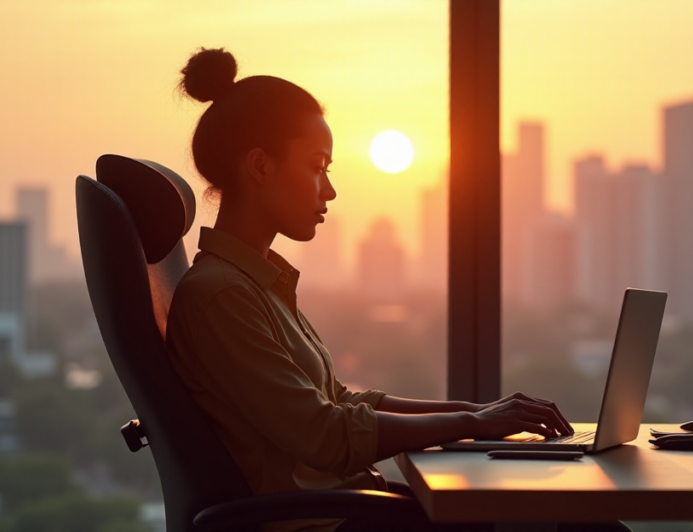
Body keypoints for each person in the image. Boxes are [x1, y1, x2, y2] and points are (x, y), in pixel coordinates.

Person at [165, 48, 624, 532]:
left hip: (352, 513)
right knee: (580, 525)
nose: (329, 190)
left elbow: (340, 401)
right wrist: (473, 424)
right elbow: (326, 436)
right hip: (329, 525)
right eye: (317, 167)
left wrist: (477, 411)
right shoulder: (222, 296)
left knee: (575, 517)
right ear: (260, 166)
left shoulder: (256, 283)